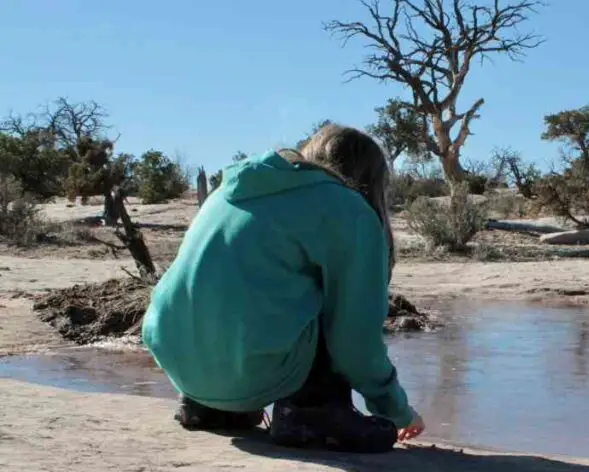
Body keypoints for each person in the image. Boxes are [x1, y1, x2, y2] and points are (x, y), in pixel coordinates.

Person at [141, 123, 425, 453]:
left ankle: (210, 406)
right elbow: (355, 340)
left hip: (179, 361)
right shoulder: (348, 209)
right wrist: (396, 409)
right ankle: (312, 411)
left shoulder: (229, 189)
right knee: (337, 305)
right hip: (244, 366)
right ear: (370, 178)